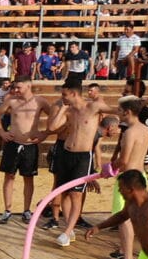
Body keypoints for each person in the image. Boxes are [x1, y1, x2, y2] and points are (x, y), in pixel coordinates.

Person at [45, 83, 113, 247]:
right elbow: (52, 127)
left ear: (74, 94)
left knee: (76, 195)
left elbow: (117, 111)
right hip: (66, 153)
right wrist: (63, 109)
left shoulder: (93, 107)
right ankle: (69, 228)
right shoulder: (68, 110)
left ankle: (67, 231)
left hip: (83, 156)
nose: (62, 98)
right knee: (65, 193)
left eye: (64, 95)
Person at [0, 78, 51, 224]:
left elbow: (55, 117)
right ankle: (7, 210)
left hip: (30, 145)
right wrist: (1, 131)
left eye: (19, 87)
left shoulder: (40, 102)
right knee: (9, 176)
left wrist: (45, 133)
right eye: (15, 88)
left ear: (28, 86)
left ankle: (26, 210)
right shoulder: (11, 101)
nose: (16, 90)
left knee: (28, 177)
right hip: (13, 143)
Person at [105, 99, 148, 259]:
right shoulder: (145, 130)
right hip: (141, 175)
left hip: (128, 179)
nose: (118, 113)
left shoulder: (130, 132)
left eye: (119, 110)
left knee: (123, 217)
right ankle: (125, 251)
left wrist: (108, 168)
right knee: (134, 217)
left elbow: (124, 161)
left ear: (127, 112)